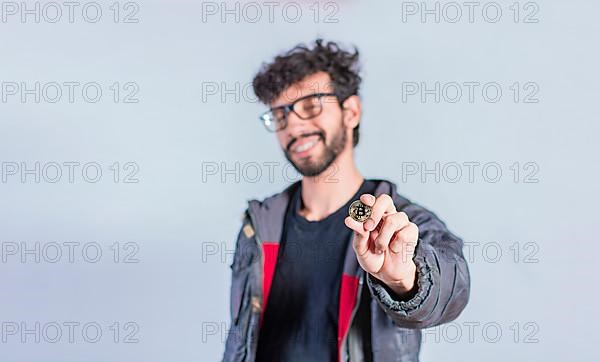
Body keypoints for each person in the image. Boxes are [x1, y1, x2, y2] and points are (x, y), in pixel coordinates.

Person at [223, 39, 470, 362]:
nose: (294, 125)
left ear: (350, 111)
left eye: (310, 105)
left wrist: (404, 279)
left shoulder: (401, 222)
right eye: (280, 114)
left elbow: (451, 289)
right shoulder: (259, 224)